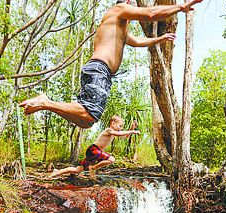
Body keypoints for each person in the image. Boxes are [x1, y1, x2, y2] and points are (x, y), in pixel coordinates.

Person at [19, 0, 203, 128]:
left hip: (102, 72)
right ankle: (45, 102)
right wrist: (180, 7)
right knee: (90, 113)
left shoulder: (119, 28)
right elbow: (150, 13)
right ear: (127, 4)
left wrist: (159, 39)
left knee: (87, 121)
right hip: (99, 68)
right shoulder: (118, 10)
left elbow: (137, 41)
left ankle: (46, 103)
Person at [48, 116, 139, 180]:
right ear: (113, 123)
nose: (120, 128)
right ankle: (93, 168)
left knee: (77, 170)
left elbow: (125, 136)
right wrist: (133, 132)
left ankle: (57, 172)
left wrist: (132, 128)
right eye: (120, 126)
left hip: (93, 152)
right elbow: (119, 133)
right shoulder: (109, 130)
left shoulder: (113, 132)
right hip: (93, 149)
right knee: (111, 159)